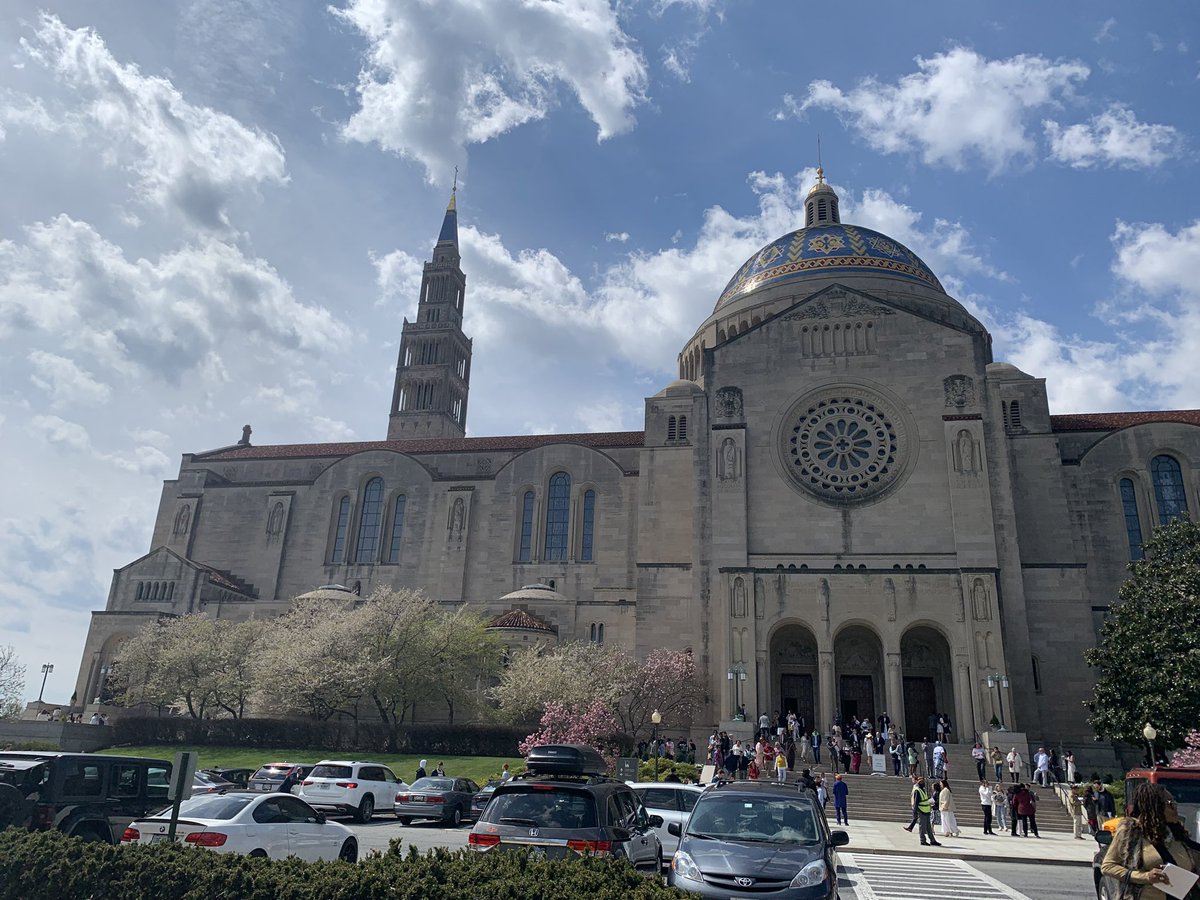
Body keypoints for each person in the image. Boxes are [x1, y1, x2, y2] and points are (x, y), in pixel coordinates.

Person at [1101, 782, 1200, 900]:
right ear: (1155, 806)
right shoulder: (1131, 832)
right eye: (1170, 803)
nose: (1175, 807)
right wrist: (1145, 877)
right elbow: (1108, 866)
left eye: (1174, 803)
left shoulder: (1176, 834)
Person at [910, 776, 941, 847]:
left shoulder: (923, 790)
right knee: (922, 827)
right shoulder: (917, 790)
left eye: (923, 781)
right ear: (918, 782)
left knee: (928, 827)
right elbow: (916, 803)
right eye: (921, 782)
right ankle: (922, 840)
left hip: (926, 810)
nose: (923, 783)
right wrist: (915, 812)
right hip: (921, 810)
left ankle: (932, 840)